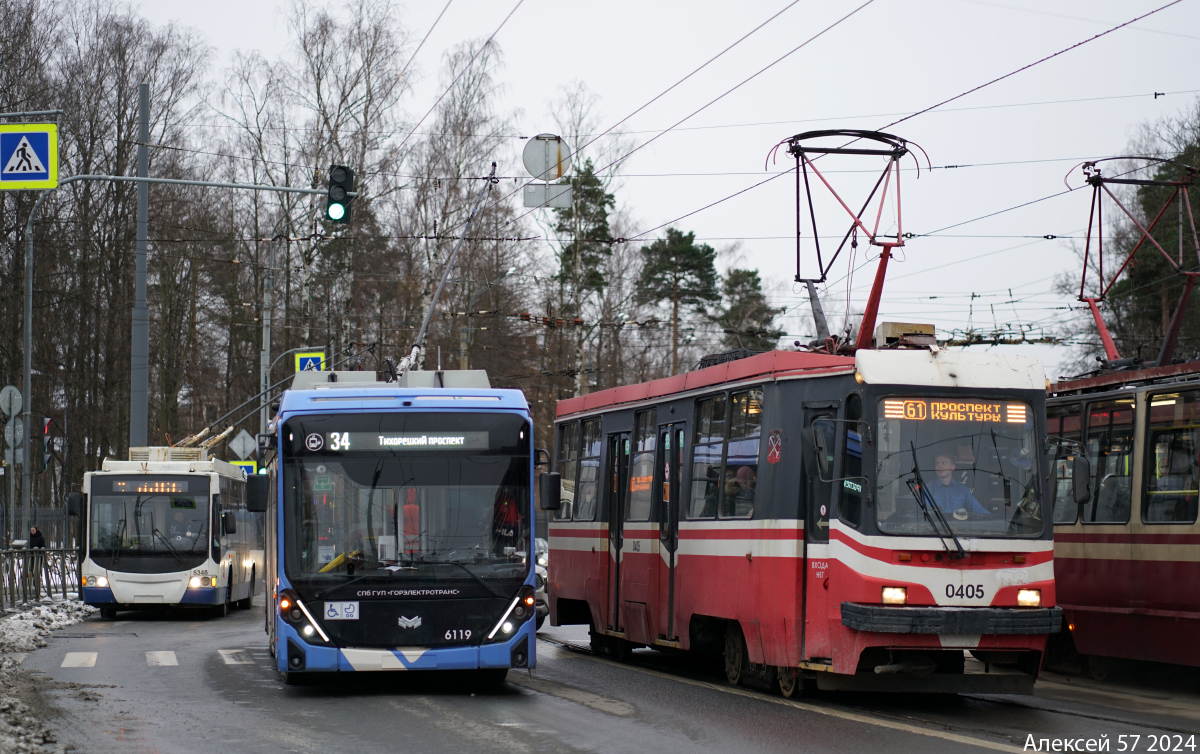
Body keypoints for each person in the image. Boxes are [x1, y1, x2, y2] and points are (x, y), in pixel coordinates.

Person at [926, 454, 990, 519]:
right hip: (936, 528)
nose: (940, 467)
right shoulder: (927, 489)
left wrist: (992, 520)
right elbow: (923, 514)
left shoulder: (962, 490)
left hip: (958, 528)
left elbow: (980, 511)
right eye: (937, 464)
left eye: (944, 463)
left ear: (953, 467)